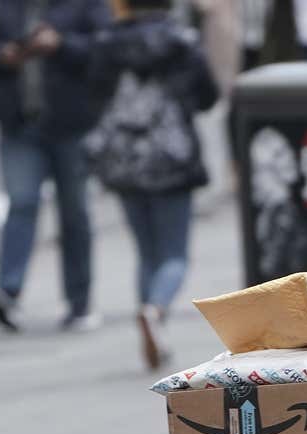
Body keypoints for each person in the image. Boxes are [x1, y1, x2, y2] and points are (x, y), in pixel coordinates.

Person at [0, 0, 113, 333]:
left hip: (70, 126)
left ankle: (79, 302)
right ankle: (7, 293)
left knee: (74, 213)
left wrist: (61, 44)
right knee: (20, 202)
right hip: (19, 125)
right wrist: (0, 53)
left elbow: (104, 48)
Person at [89, 0, 219, 370]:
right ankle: (155, 310)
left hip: (125, 155)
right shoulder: (181, 41)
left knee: (146, 251)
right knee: (174, 254)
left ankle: (151, 325)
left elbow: (94, 91)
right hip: (170, 156)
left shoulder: (108, 43)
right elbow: (207, 95)